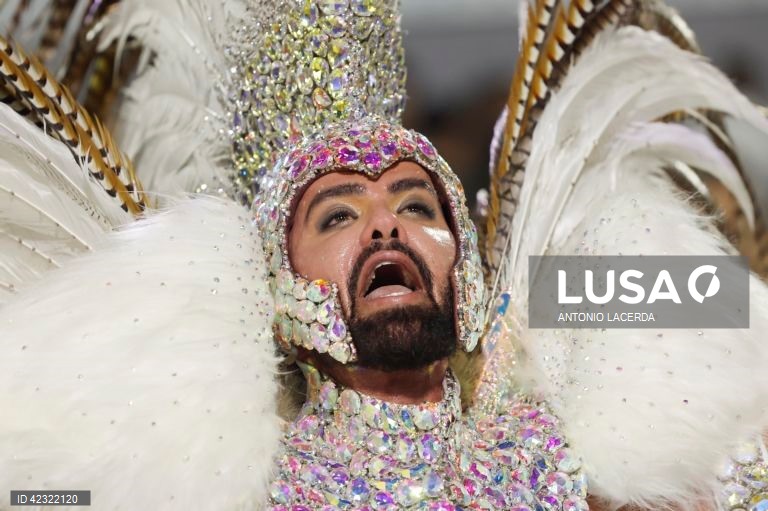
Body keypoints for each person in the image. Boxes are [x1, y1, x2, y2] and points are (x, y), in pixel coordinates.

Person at [1, 1, 768, 510]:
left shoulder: (570, 431)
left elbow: (731, 330)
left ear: (464, 271)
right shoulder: (232, 479)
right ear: (280, 290)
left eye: (415, 203)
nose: (385, 227)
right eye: (337, 213)